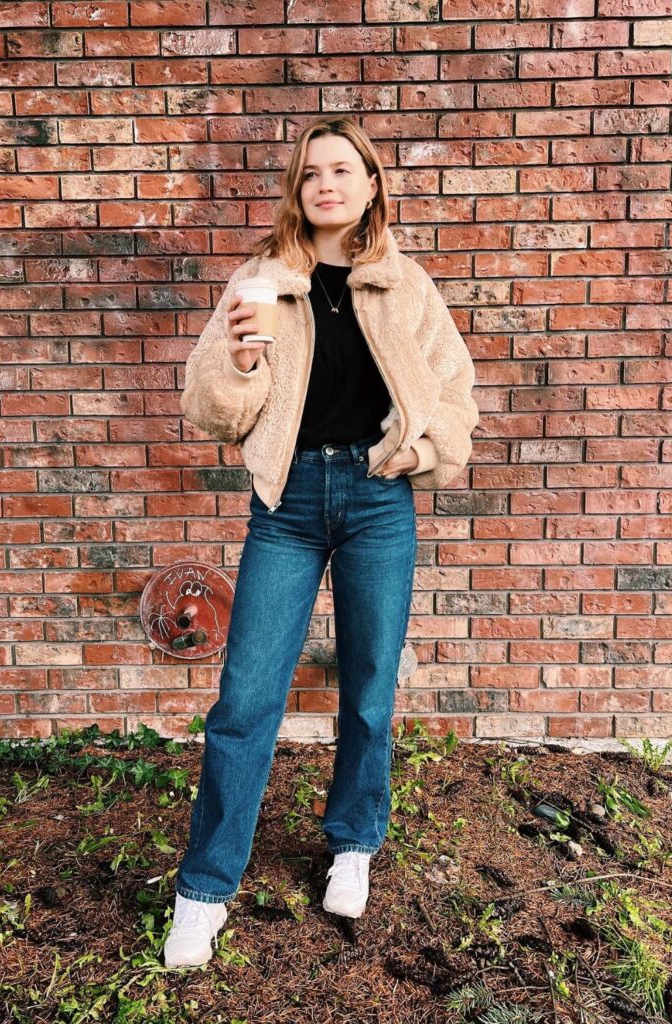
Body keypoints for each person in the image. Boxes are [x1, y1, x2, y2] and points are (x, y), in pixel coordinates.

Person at [164, 116, 480, 968]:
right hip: (289, 501)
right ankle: (204, 888)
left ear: (373, 184)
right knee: (246, 699)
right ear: (296, 191)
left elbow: (456, 392)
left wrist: (418, 449)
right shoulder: (260, 279)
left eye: (344, 170)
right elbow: (211, 413)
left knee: (369, 688)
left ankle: (351, 845)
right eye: (311, 174)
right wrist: (236, 362)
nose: (327, 185)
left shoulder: (404, 284)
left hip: (378, 498)